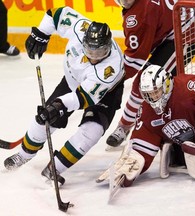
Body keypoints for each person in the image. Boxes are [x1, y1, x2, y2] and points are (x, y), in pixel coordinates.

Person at [4, 6, 125, 185]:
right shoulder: (80, 28)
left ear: (107, 48)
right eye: (89, 50)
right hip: (72, 81)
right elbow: (56, 14)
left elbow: (83, 99)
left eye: (99, 53)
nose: (93, 56)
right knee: (44, 118)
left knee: (91, 131)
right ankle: (23, 155)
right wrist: (40, 34)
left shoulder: (110, 68)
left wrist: (59, 106)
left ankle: (55, 168)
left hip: (105, 94)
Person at [106, 0, 195, 147]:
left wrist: (114, 81)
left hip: (184, 36)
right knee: (160, 84)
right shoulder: (142, 10)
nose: (124, 2)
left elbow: (135, 60)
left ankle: (125, 127)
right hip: (174, 26)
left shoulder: (142, 13)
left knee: (146, 82)